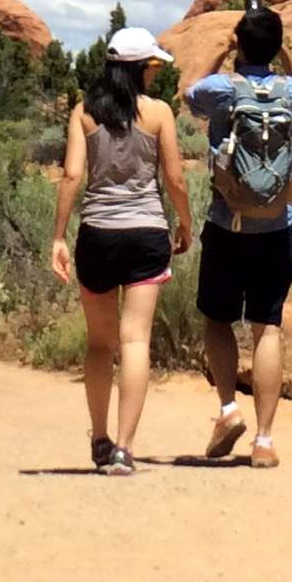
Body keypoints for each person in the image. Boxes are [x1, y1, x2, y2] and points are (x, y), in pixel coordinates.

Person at [50, 23, 192, 474]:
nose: (155, 72)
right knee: (135, 341)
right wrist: (186, 222)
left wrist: (57, 236)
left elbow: (72, 175)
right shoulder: (159, 114)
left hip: (97, 233)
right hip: (147, 233)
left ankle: (98, 438)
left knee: (99, 344)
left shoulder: (82, 113)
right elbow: (175, 179)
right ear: (138, 69)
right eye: (152, 65)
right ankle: (125, 449)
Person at [184, 0, 292, 469]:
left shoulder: (223, 89)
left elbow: (189, 91)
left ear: (241, 42)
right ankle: (264, 440)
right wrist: (284, 52)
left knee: (218, 320)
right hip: (277, 228)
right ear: (275, 47)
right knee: (267, 328)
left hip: (227, 225)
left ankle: (226, 409)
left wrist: (222, 49)